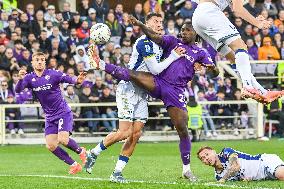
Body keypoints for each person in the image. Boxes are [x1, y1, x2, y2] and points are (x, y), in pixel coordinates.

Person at [87, 15, 220, 182]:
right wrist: (139, 23)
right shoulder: (173, 42)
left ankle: (186, 169)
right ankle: (99, 64)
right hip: (158, 81)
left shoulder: (201, 53)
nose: (184, 33)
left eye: (188, 30)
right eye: (183, 30)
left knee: (182, 129)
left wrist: (211, 69)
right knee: (132, 75)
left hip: (175, 91)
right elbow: (155, 37)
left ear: (196, 33)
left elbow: (215, 73)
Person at [192, 0, 283, 104]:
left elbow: (234, 5)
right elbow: (238, 10)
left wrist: (256, 17)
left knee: (233, 57)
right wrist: (258, 24)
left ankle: (262, 92)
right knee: (241, 46)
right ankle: (248, 86)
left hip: (198, 18)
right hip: (210, 12)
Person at [15, 52, 87, 174]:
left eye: (42, 59)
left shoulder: (53, 74)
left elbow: (68, 78)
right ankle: (74, 165)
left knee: (63, 139)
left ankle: (82, 151)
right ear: (32, 62)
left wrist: (77, 80)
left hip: (63, 112)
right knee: (51, 145)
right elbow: (18, 90)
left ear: (45, 62)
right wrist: (20, 79)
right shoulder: (29, 78)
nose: (39, 62)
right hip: (49, 116)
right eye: (37, 60)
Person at [197, 146, 284, 182]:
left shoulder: (226, 152)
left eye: (207, 154)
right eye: (203, 158)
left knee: (281, 175)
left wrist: (223, 180)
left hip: (263, 162)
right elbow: (239, 178)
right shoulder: (217, 176)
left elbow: (235, 166)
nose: (206, 158)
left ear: (214, 151)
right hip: (263, 176)